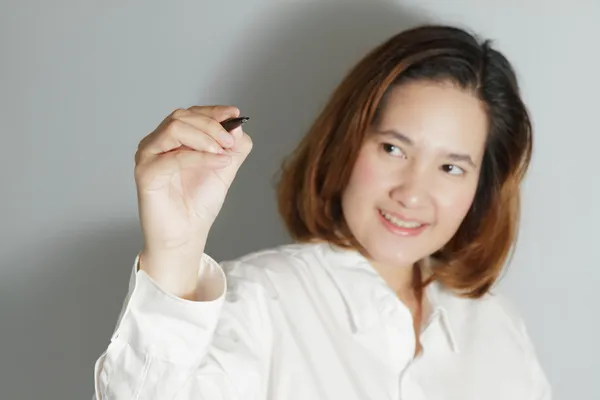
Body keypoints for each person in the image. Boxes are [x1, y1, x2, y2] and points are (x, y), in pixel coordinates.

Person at [93, 24, 551, 399]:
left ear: (481, 187)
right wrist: (175, 249)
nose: (413, 193)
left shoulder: (496, 327)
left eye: (451, 167)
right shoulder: (258, 302)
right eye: (393, 148)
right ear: (347, 143)